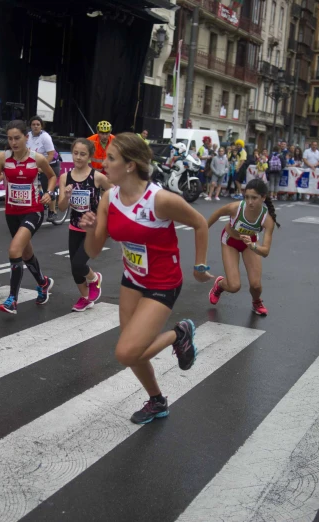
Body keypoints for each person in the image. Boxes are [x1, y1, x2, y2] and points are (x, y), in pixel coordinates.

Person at [79, 133, 212, 424]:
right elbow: (93, 251)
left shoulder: (159, 200)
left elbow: (200, 223)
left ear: (130, 165)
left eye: (111, 158)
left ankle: (179, 333)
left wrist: (200, 266)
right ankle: (157, 401)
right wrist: (89, 228)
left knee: (127, 353)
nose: (103, 162)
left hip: (163, 283)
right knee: (133, 349)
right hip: (133, 280)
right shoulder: (108, 199)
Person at [0, 120, 56, 314]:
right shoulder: (2, 157)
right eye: (9, 139)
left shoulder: (37, 158)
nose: (13, 142)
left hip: (33, 210)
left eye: (17, 138)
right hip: (12, 212)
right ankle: (43, 283)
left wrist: (49, 192)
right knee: (25, 254)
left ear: (26, 138)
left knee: (14, 250)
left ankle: (12, 300)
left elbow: (52, 176)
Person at [207, 178, 280, 316]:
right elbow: (216, 214)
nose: (250, 202)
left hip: (250, 245)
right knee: (234, 286)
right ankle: (220, 285)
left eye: (254, 198)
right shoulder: (236, 208)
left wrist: (252, 245)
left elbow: (265, 252)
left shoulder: (267, 219)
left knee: (256, 285)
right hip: (230, 242)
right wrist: (203, 231)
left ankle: (256, 301)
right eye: (247, 197)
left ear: (263, 198)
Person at [57, 138, 111, 311]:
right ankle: (85, 297)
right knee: (75, 268)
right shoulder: (65, 177)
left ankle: (94, 278)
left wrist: (105, 213)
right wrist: (65, 195)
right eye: (75, 153)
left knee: (79, 264)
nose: (78, 157)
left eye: (83, 154)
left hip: (93, 228)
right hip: (74, 226)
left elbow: (114, 195)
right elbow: (61, 207)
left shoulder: (98, 177)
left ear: (89, 156)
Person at [27, 115, 59, 223]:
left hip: (50, 164)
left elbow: (51, 154)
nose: (35, 127)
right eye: (33, 124)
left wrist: (42, 167)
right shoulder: (27, 136)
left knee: (47, 188)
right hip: (35, 164)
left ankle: (52, 211)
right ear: (30, 126)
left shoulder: (45, 137)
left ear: (41, 126)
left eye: (38, 124)